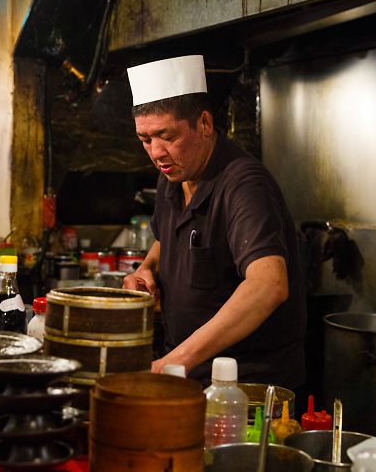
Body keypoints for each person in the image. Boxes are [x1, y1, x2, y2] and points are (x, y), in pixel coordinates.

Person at [123, 55, 306, 389]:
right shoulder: (174, 173)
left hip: (245, 384)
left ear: (204, 124)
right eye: (145, 139)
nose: (156, 152)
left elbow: (269, 285)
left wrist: (178, 359)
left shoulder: (243, 183)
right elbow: (167, 240)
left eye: (167, 135)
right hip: (188, 374)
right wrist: (146, 268)